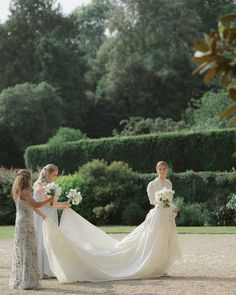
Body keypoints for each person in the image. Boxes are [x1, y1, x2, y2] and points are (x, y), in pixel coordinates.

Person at [41, 161, 182, 283]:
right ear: (156, 170)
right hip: (158, 213)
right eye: (159, 169)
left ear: (167, 170)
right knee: (154, 239)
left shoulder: (169, 182)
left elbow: (171, 200)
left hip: (167, 214)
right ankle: (153, 264)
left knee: (165, 240)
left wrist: (173, 207)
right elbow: (152, 200)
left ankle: (162, 266)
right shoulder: (152, 184)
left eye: (164, 169)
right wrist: (161, 200)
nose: (162, 171)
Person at [9, 169, 53, 290]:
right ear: (27, 179)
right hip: (26, 222)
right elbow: (35, 204)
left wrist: (42, 215)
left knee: (22, 249)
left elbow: (32, 207)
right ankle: (27, 281)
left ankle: (20, 279)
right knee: (28, 249)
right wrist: (49, 200)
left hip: (20, 222)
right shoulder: (26, 192)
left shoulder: (17, 191)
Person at [33, 164, 70, 278]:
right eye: (54, 174)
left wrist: (63, 204)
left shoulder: (51, 185)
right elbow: (48, 202)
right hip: (42, 216)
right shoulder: (38, 185)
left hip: (52, 214)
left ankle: (52, 268)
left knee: (52, 239)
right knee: (43, 239)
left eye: (56, 175)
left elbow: (52, 203)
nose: (56, 177)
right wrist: (63, 204)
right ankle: (43, 270)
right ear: (48, 174)